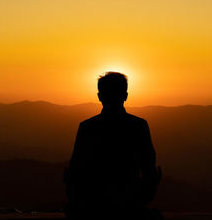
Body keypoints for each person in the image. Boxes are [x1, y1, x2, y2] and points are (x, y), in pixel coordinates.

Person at [64, 72, 162, 220]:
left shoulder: (87, 127)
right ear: (125, 95)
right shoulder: (138, 126)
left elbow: (75, 173)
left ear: (100, 96)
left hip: (93, 207)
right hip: (130, 205)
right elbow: (148, 171)